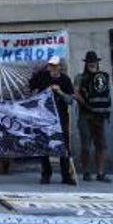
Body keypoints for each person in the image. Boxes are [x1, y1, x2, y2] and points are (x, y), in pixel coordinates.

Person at [29, 55, 77, 185]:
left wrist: (60, 92)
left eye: (55, 66)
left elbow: (71, 100)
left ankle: (66, 175)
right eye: (51, 65)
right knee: (44, 144)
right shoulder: (42, 76)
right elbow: (29, 89)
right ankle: (46, 174)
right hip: (44, 117)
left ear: (60, 67)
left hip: (61, 117)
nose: (53, 68)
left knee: (63, 145)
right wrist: (39, 93)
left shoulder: (65, 80)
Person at [74, 50, 112, 182]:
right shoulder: (80, 77)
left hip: (100, 115)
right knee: (85, 146)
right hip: (85, 115)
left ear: (97, 63)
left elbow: (106, 94)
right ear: (86, 63)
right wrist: (86, 104)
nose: (92, 64)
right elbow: (76, 93)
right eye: (90, 62)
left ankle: (100, 173)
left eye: (94, 62)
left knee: (101, 145)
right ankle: (86, 172)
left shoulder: (103, 77)